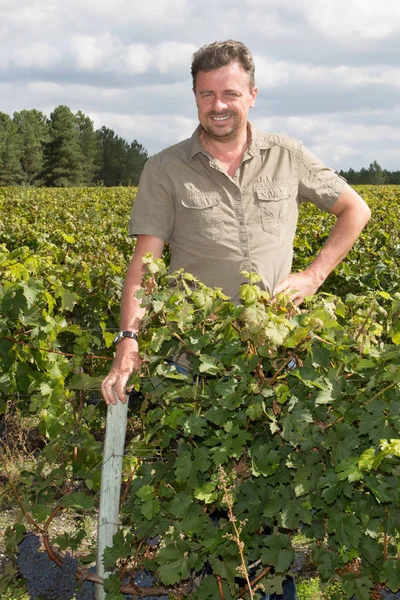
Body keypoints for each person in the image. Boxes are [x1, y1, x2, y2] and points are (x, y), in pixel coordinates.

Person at [101, 40, 371, 599]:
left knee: (274, 485)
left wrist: (314, 276)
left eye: (229, 92)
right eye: (206, 94)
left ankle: (273, 584)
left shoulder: (287, 155)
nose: (218, 104)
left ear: (252, 94)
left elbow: (355, 209)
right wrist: (129, 338)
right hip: (193, 353)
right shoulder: (165, 168)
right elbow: (145, 266)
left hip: (275, 351)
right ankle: (211, 583)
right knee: (207, 486)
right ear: (194, 97)